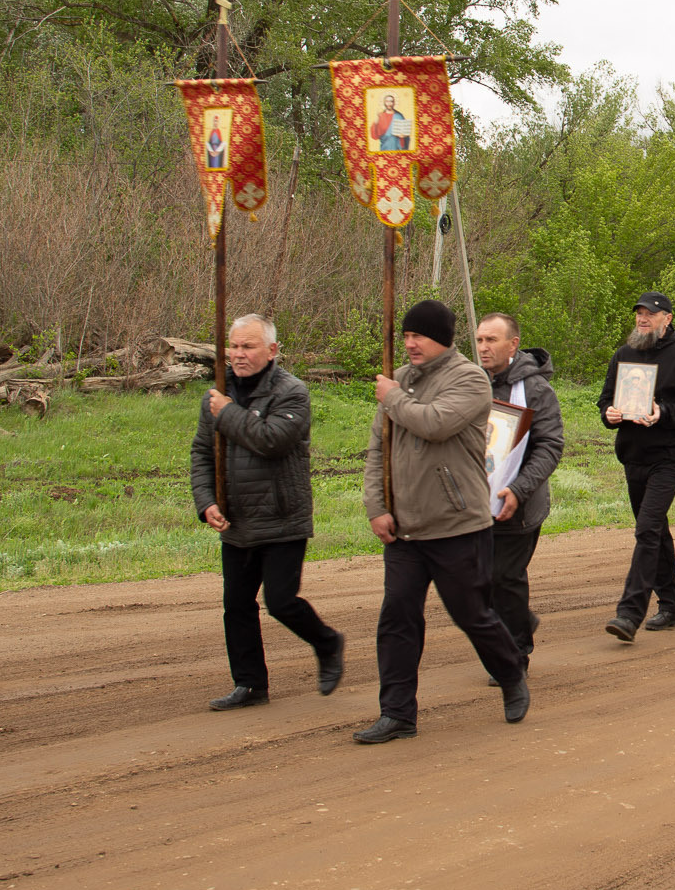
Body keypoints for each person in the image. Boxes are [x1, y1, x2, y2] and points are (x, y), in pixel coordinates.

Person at [354, 300, 528, 744]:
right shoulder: (400, 379)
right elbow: (378, 448)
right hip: (405, 528)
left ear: (444, 339)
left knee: (472, 614)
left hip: (457, 524)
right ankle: (397, 714)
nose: (410, 343)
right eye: (407, 335)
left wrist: (391, 396)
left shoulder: (470, 379)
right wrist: (377, 506)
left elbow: (434, 423)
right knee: (397, 618)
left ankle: (510, 673)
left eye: (420, 336)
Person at [191, 314, 344, 711]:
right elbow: (202, 453)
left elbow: (271, 440)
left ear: (272, 350)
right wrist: (206, 501)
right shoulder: (218, 394)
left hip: (282, 517)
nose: (239, 355)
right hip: (237, 519)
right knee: (237, 605)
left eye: (249, 347)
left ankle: (327, 642)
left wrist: (226, 412)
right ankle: (250, 684)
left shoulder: (292, 392)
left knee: (281, 601)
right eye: (235, 347)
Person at [598, 292, 675, 642]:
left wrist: (663, 412)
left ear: (667, 317)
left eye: (649, 313)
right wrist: (610, 414)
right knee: (656, 531)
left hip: (668, 458)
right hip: (633, 455)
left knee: (647, 529)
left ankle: (629, 613)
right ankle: (670, 607)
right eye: (638, 313)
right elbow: (606, 399)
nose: (642, 319)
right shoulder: (624, 355)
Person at [476, 312, 563, 668]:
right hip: (475, 504)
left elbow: (550, 446)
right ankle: (521, 621)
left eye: (491, 340)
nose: (483, 348)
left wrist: (518, 488)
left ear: (513, 344)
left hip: (519, 506)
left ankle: (516, 655)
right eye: (479, 340)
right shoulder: (471, 382)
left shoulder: (536, 389)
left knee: (504, 578)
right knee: (478, 582)